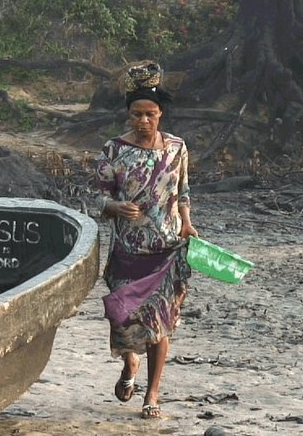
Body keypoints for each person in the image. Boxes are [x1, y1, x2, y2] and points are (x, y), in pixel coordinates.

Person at [94, 60, 198, 419]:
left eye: (149, 114)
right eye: (136, 114)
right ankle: (129, 364)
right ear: (128, 114)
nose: (143, 121)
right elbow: (96, 197)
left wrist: (187, 223)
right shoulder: (113, 150)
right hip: (127, 251)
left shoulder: (176, 149)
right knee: (123, 321)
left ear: (161, 114)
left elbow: (183, 191)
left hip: (166, 251)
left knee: (159, 324)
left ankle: (152, 395)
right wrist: (115, 206)